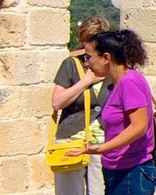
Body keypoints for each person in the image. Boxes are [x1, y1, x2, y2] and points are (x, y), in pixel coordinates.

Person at [66, 30, 156, 195]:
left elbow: (139, 126)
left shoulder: (129, 82)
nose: (86, 64)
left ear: (106, 58)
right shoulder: (117, 84)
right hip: (118, 169)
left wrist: (102, 148)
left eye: (88, 57)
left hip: (131, 171)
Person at [52, 17, 113, 195]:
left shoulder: (112, 66)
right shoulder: (71, 65)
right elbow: (57, 102)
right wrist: (85, 82)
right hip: (71, 139)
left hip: (103, 142)